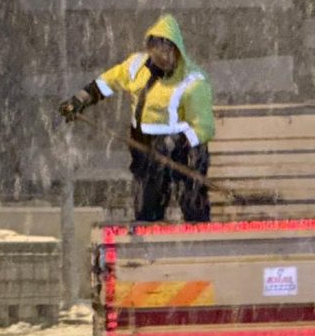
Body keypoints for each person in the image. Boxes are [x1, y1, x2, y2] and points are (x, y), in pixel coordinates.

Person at [58, 14, 215, 222]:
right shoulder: (136, 66)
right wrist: (81, 99)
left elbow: (204, 127)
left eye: (168, 55)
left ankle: (199, 242)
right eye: (158, 57)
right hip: (146, 149)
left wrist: (175, 142)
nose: (164, 61)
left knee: (193, 204)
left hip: (185, 154)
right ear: (150, 50)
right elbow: (109, 81)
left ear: (177, 50)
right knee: (147, 208)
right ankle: (149, 247)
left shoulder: (193, 81)